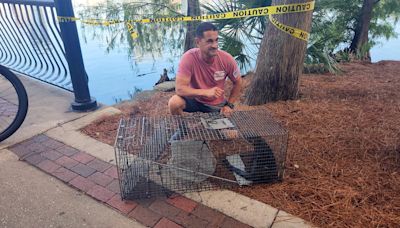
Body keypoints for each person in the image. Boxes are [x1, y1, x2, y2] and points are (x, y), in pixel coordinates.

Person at [168, 22, 242, 116]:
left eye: (216, 40)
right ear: (198, 42)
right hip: (194, 100)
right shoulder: (188, 58)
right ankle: (182, 128)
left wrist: (229, 105)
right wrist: (205, 92)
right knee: (174, 103)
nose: (215, 45)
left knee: (227, 131)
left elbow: (238, 82)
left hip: (216, 104)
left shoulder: (226, 59)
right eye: (209, 41)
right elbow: (180, 89)